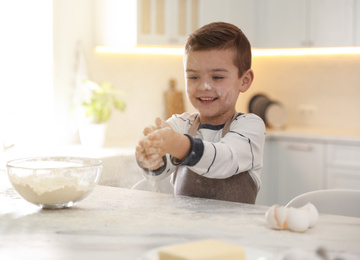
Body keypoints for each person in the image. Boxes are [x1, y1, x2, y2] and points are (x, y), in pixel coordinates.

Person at [135, 22, 266, 204]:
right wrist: (152, 158)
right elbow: (158, 173)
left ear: (244, 81)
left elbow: (225, 159)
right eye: (193, 77)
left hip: (235, 232)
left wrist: (181, 146)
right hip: (185, 231)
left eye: (217, 77)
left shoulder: (250, 127)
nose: (204, 86)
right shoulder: (181, 125)